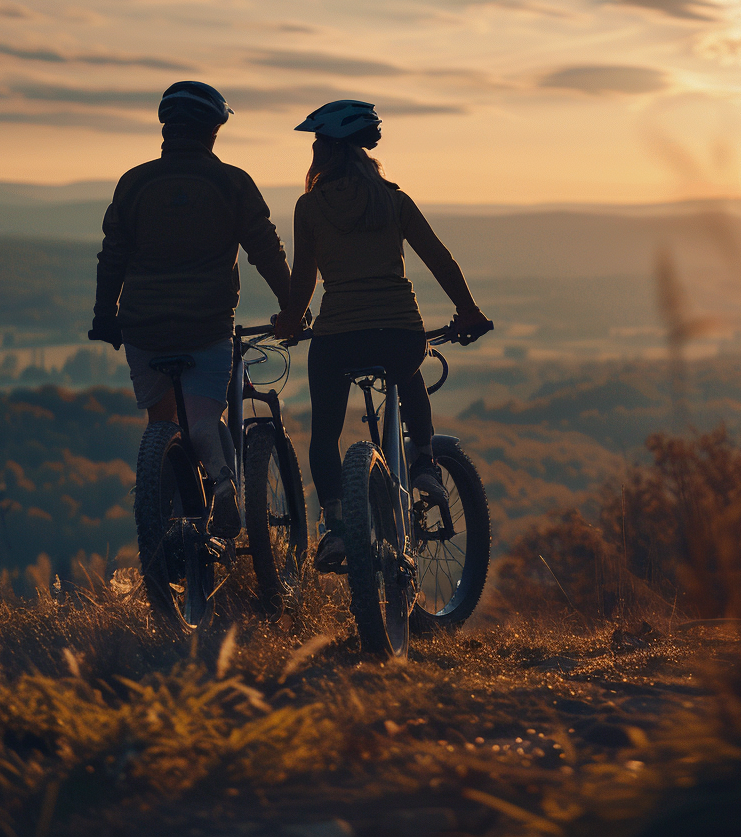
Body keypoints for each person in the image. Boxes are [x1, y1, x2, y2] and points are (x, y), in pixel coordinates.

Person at [273, 99, 491, 573]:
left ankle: (336, 527)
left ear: (328, 150)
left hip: (338, 337)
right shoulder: (395, 200)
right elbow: (440, 258)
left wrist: (290, 320)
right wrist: (468, 311)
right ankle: (425, 464)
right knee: (408, 370)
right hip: (399, 330)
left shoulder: (309, 207)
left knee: (325, 434)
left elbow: (304, 279)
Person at [88, 81, 291, 538]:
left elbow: (112, 255)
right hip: (207, 326)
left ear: (166, 129)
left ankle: (173, 536)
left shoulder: (134, 183)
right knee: (201, 420)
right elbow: (266, 250)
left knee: (163, 427)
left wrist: (105, 316)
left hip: (143, 328)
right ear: (213, 131)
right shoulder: (232, 182)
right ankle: (222, 482)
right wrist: (293, 307)